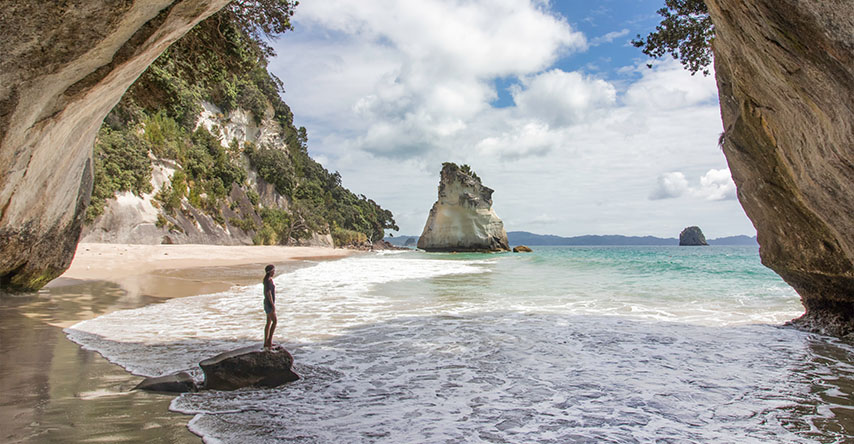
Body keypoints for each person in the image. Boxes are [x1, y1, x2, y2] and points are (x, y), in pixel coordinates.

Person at [263, 264, 277, 349]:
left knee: (268, 323)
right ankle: (269, 342)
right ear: (270, 272)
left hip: (266, 303)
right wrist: (272, 305)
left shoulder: (266, 280)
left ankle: (266, 342)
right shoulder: (268, 280)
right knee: (274, 322)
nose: (274, 272)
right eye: (273, 271)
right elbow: (268, 294)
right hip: (269, 304)